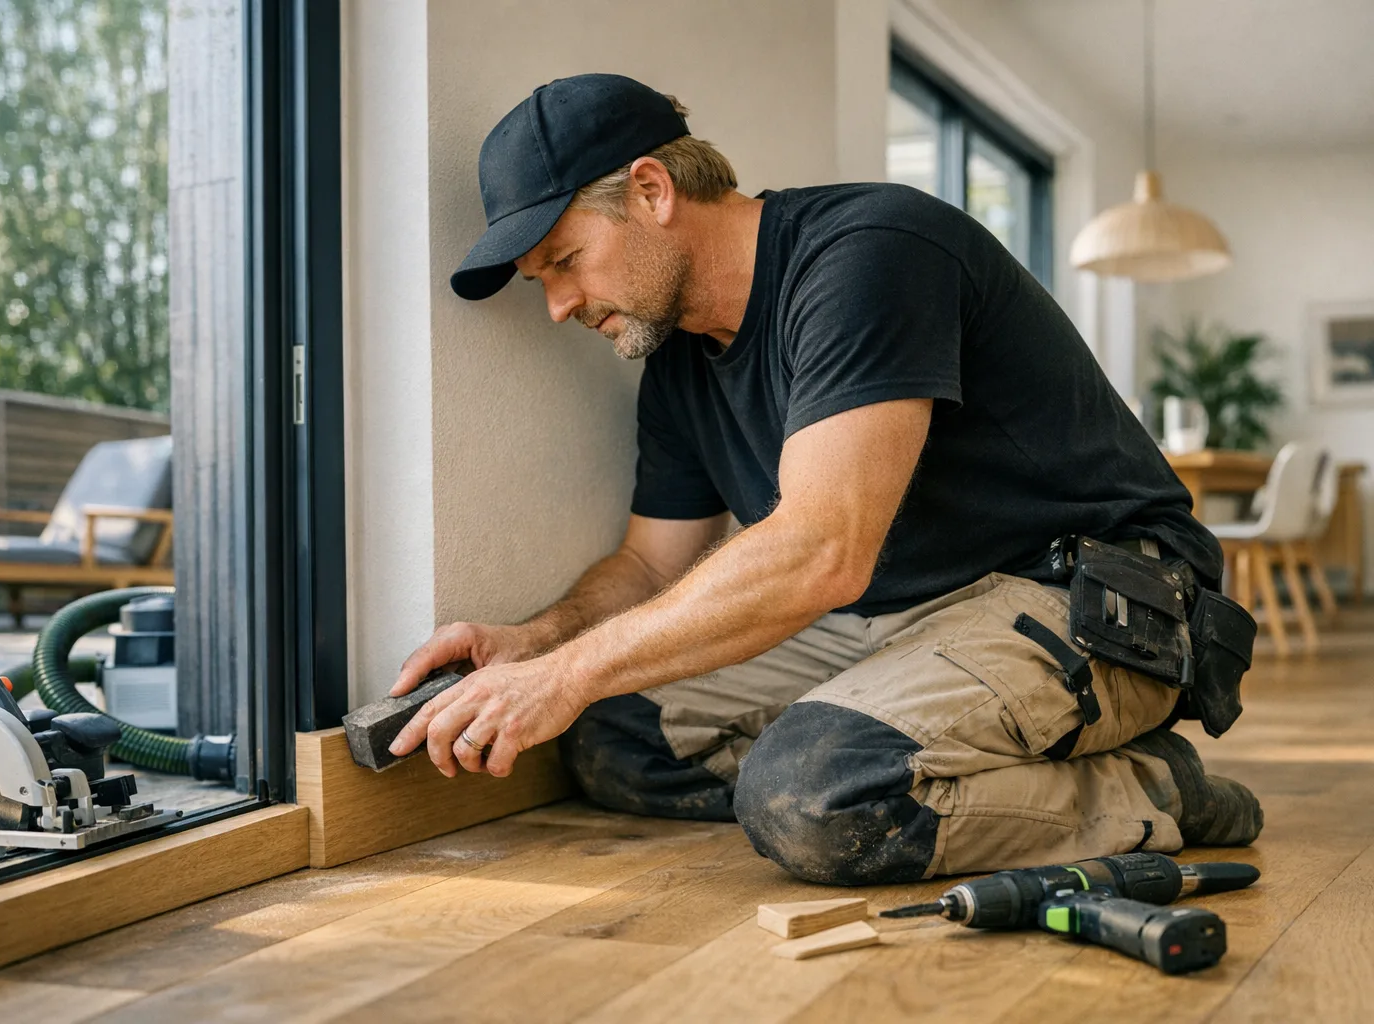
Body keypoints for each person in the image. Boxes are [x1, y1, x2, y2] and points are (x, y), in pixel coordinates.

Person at [386, 73, 1261, 885]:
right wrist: (537, 646)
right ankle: (939, 751)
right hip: (891, 617)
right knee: (619, 733)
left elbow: (820, 551)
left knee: (812, 794)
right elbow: (651, 568)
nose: (558, 306)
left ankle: (1151, 793)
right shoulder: (678, 369)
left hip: (1094, 591)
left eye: (565, 262)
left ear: (652, 191)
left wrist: (567, 675)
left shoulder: (870, 253)